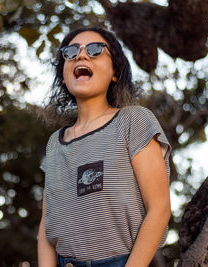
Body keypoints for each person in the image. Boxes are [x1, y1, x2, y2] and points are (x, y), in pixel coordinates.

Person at [37, 27, 171, 267]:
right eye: (70, 52)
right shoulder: (54, 144)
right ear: (64, 75)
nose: (81, 55)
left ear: (115, 72)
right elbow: (47, 226)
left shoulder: (133, 121)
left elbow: (159, 209)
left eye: (95, 50)